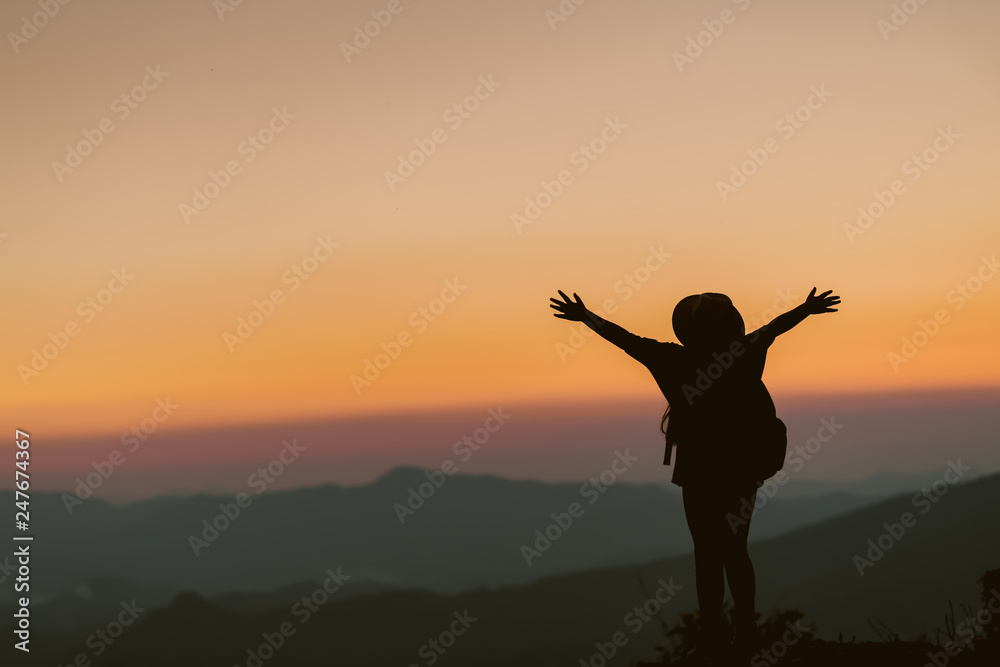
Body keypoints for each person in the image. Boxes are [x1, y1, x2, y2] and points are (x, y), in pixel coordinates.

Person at [549, 287, 840, 658]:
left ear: (688, 329)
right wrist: (806, 308)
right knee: (735, 550)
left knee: (706, 552)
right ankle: (745, 633)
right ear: (733, 325)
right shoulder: (745, 352)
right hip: (742, 468)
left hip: (700, 469)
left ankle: (712, 638)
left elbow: (623, 339)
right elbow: (776, 327)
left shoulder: (671, 359)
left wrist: (586, 316)